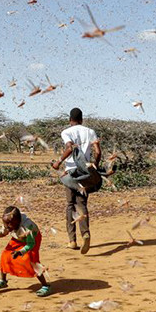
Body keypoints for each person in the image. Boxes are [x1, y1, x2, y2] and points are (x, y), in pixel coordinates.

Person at [51, 107, 101, 255]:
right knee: (82, 203)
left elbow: (69, 148)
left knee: (70, 204)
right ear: (82, 119)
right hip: (85, 172)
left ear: (70, 120)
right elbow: (98, 152)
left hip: (70, 173)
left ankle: (72, 240)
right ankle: (85, 233)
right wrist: (95, 166)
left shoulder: (66, 132)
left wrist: (58, 162)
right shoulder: (90, 132)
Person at [0, 206, 51, 297]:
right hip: (18, 239)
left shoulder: (28, 226)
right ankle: (3, 281)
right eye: (6, 224)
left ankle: (45, 285)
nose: (7, 227)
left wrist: (20, 252)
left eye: (9, 224)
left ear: (17, 221)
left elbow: (31, 244)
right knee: (5, 255)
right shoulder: (9, 222)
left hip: (32, 240)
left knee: (32, 261)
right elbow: (3, 232)